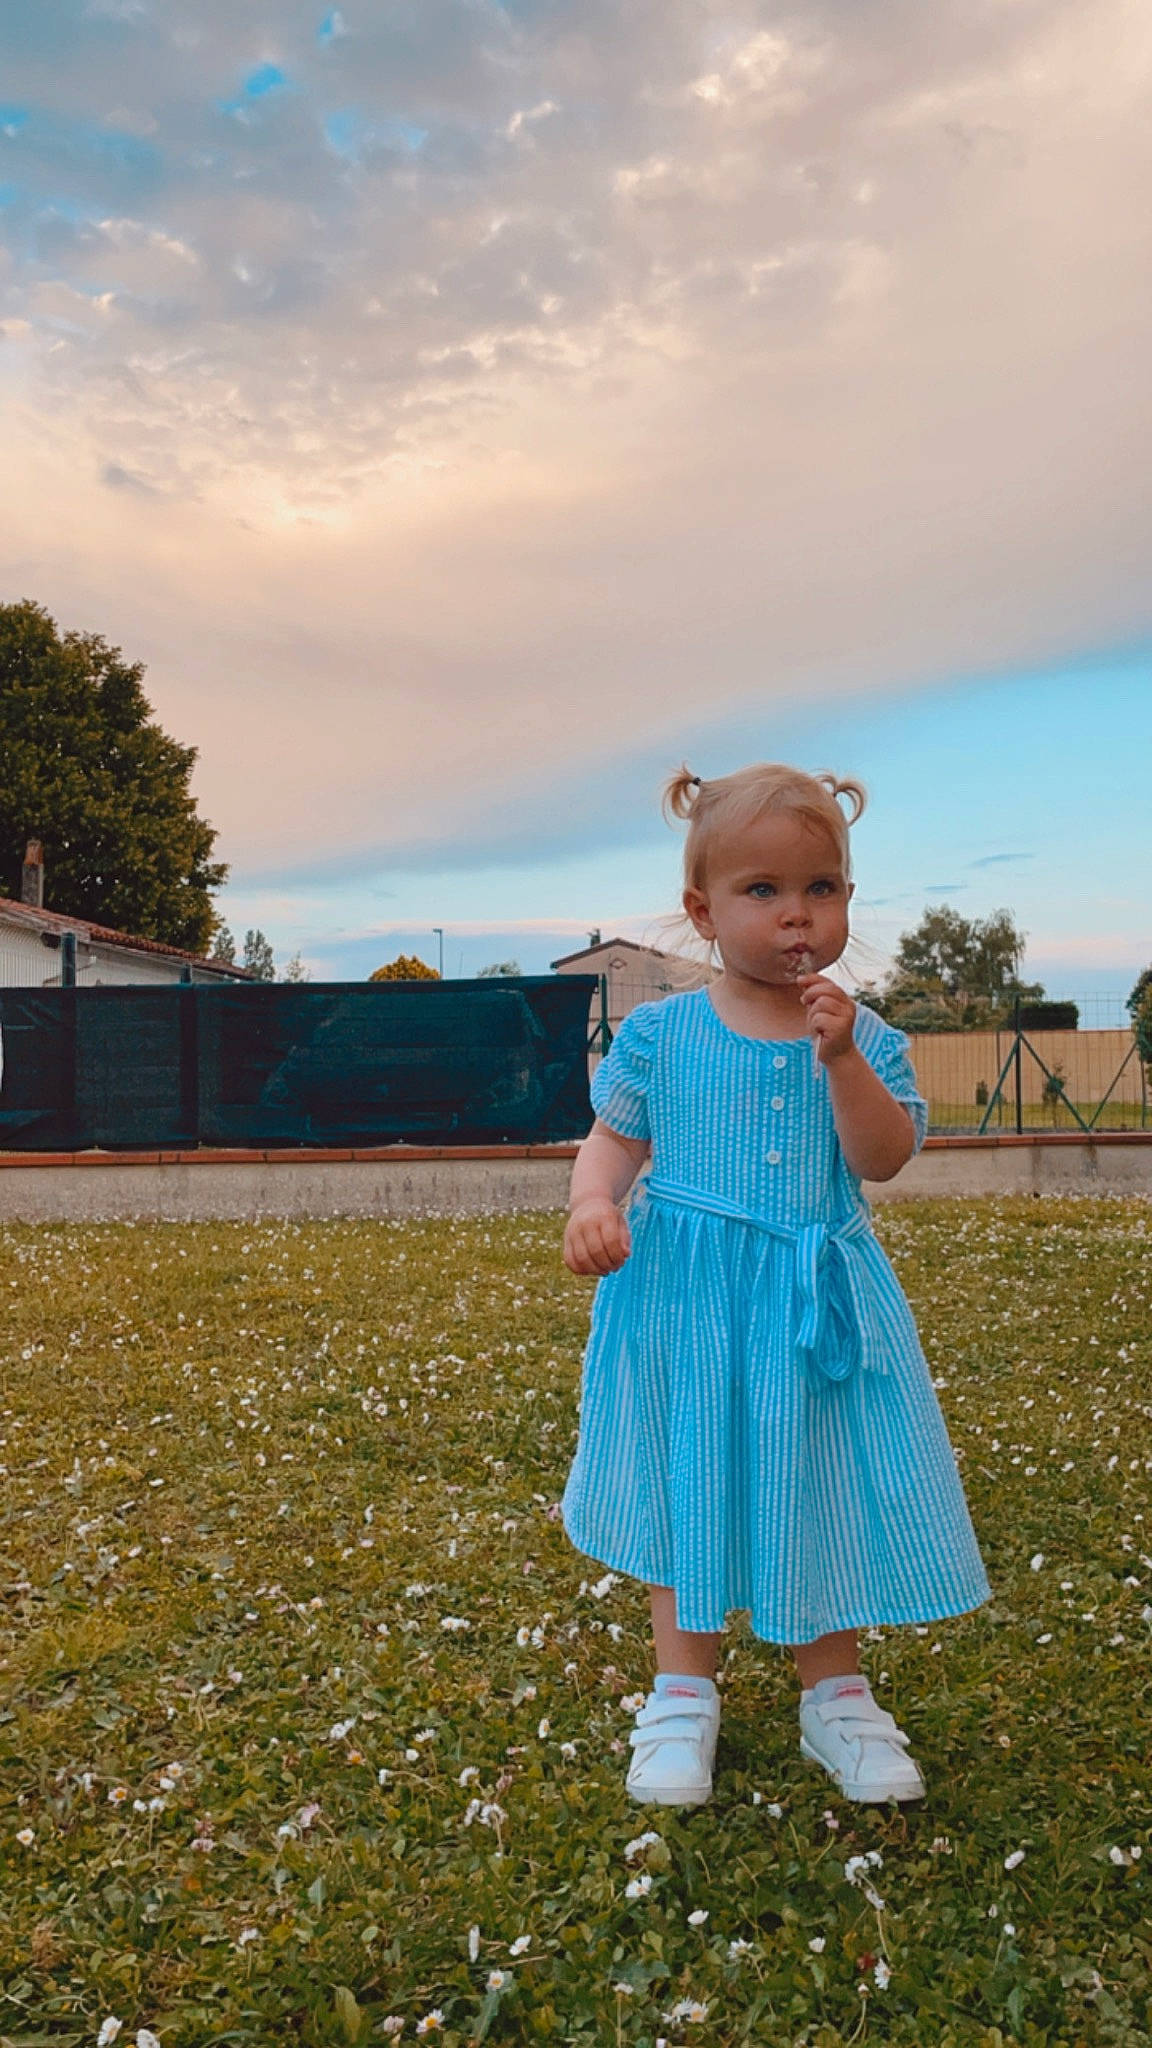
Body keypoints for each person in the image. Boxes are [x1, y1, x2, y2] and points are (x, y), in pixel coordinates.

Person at [560, 762, 991, 1808]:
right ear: (705, 912)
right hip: (687, 1301)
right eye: (763, 890)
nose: (797, 913)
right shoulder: (662, 1035)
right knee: (691, 1467)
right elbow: (611, 1141)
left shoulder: (868, 1035)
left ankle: (833, 1691)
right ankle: (682, 1690)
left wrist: (841, 1057)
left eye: (823, 887)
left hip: (813, 1303)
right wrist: (593, 1202)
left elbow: (882, 1155)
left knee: (821, 1475)